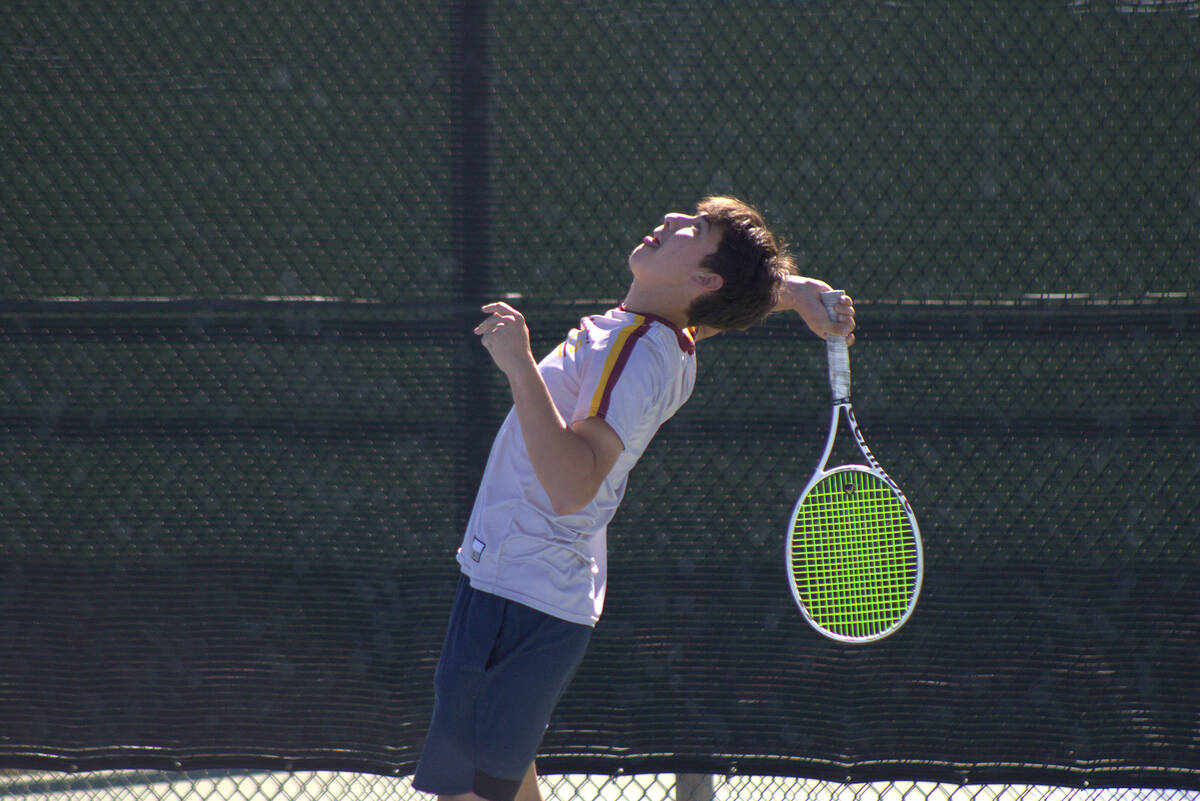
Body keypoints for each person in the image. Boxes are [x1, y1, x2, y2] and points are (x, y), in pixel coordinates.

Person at [412, 196, 856, 801]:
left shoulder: (639, 350)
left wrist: (519, 367)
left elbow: (572, 486)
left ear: (702, 277)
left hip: (524, 589)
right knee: (499, 779)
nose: (672, 221)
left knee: (472, 788)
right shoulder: (659, 335)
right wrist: (797, 290)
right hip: (522, 584)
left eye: (693, 229)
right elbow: (721, 302)